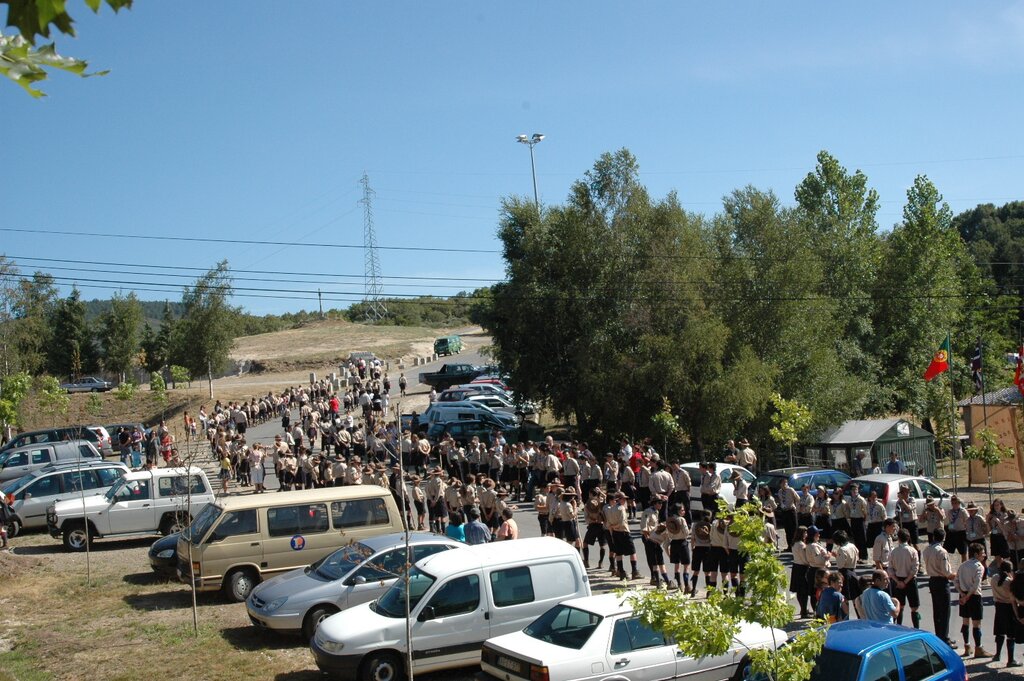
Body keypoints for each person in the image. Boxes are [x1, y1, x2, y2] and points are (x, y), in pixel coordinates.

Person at [923, 528, 957, 647]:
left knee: (937, 610)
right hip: (941, 581)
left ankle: (939, 635)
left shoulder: (927, 549)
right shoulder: (942, 551)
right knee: (945, 611)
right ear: (944, 537)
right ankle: (944, 637)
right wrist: (957, 575)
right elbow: (946, 572)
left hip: (932, 580)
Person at [956, 542, 990, 658]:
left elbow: (956, 581)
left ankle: (967, 646)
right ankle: (978, 648)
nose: (984, 555)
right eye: (982, 553)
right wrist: (968, 596)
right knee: (976, 623)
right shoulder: (979, 566)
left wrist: (962, 594)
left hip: (963, 595)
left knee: (965, 622)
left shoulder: (962, 565)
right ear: (976, 554)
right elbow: (976, 585)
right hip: (974, 596)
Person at [890, 528, 921, 628]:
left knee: (900, 606)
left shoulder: (894, 552)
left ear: (898, 538)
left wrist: (898, 581)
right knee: (914, 607)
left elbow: (890, 569)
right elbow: (915, 568)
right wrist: (906, 581)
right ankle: (916, 628)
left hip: (898, 580)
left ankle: (898, 627)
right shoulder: (913, 551)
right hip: (910, 580)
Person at [991, 558, 1017, 665]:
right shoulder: (1009, 582)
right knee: (1011, 634)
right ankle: (1010, 659)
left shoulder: (994, 578)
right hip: (1009, 608)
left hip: (998, 606)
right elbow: (1012, 599)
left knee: (999, 632)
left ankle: (997, 654)